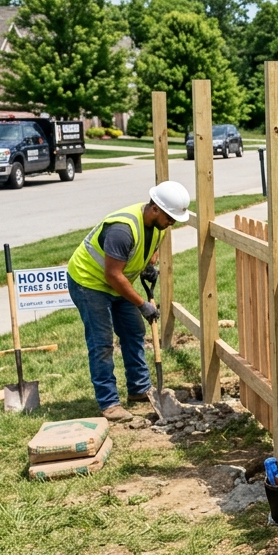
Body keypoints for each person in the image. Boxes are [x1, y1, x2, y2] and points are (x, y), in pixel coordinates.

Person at [66, 181, 191, 423]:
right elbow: (112, 275)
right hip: (89, 282)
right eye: (170, 216)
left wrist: (149, 266)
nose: (172, 222)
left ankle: (139, 388)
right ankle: (109, 403)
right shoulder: (122, 230)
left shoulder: (159, 225)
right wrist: (143, 304)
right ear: (154, 208)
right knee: (101, 342)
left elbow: (152, 247)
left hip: (116, 281)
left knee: (134, 330)